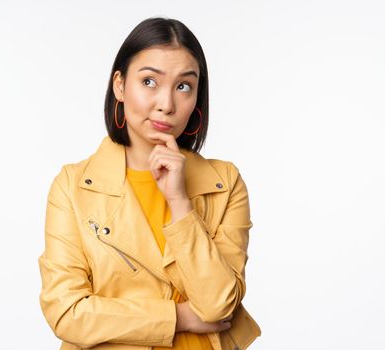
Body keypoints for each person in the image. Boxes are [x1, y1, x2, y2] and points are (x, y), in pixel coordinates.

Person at [38, 17, 261, 350]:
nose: (167, 104)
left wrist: (180, 202)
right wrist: (178, 318)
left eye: (184, 86)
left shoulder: (223, 183)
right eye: (149, 82)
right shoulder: (73, 187)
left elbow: (219, 305)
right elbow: (68, 312)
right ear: (119, 86)